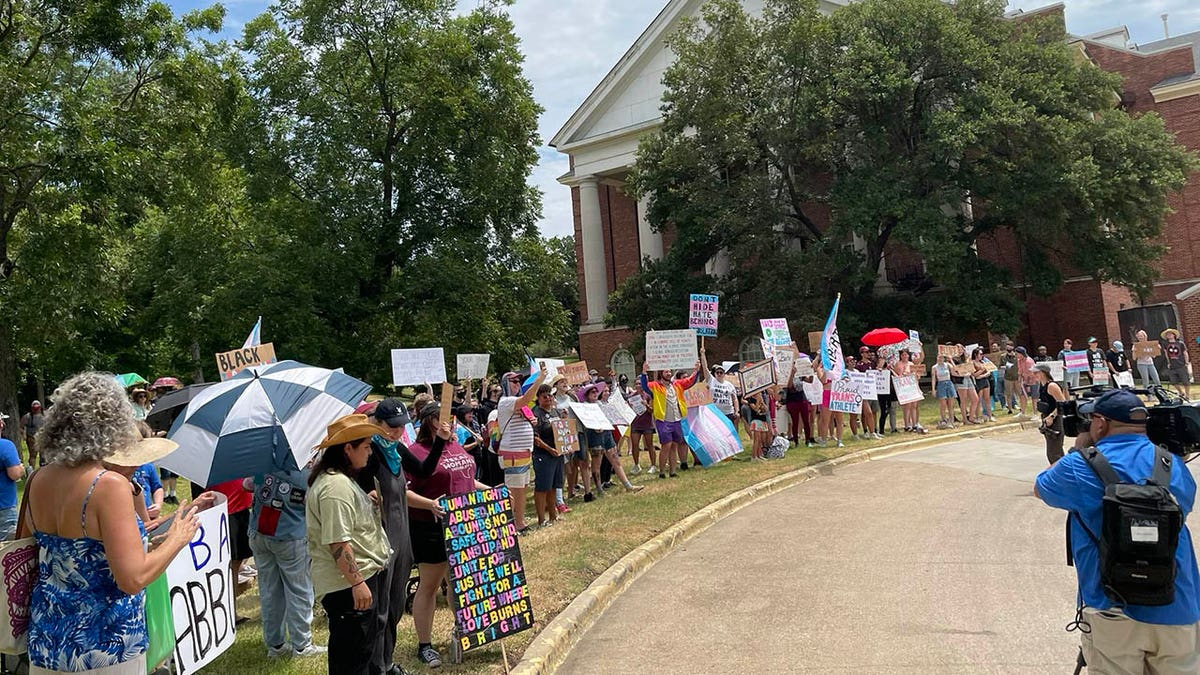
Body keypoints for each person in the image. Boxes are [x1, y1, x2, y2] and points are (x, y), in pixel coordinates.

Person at [24, 372, 203, 674]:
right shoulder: (108, 485)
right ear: (114, 424)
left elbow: (40, 553)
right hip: (106, 647)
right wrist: (177, 538)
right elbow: (131, 578)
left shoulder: (37, 479)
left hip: (47, 644)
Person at [1035, 389, 1200, 673]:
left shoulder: (1080, 465)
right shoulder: (1171, 465)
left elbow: (1041, 487)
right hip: (1177, 604)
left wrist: (1082, 446)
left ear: (1100, 422)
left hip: (1109, 605)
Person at [357, 398, 447, 675]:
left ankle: (387, 659)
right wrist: (366, 495)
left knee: (395, 602)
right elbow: (354, 488)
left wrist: (441, 441)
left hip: (402, 534)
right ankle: (377, 665)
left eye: (401, 427)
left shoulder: (394, 448)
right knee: (380, 606)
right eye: (391, 426)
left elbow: (423, 470)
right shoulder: (368, 452)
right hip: (381, 536)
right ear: (378, 423)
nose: (397, 432)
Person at [307, 414, 394, 675]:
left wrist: (364, 501)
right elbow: (337, 541)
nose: (369, 452)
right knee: (352, 660)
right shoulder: (335, 487)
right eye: (365, 446)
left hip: (358, 579)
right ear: (348, 449)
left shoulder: (339, 480)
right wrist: (357, 583)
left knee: (360, 653)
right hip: (349, 586)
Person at [405, 402, 488, 669]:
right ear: (429, 421)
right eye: (442, 417)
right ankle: (425, 646)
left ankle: (461, 631)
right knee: (429, 585)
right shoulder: (415, 452)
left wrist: (491, 491)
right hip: (429, 527)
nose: (449, 422)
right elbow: (404, 492)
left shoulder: (455, 445)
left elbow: (465, 478)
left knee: (459, 583)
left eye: (450, 417)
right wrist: (430, 505)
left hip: (462, 523)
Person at [245, 466, 325, 660]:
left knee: (269, 591)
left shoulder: (264, 463)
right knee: (299, 591)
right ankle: (302, 645)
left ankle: (275, 645)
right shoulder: (308, 474)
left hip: (259, 534)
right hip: (290, 537)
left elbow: (246, 484)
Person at [496, 367, 546, 533]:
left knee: (522, 489)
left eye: (519, 381)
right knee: (512, 491)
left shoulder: (518, 403)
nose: (518, 384)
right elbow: (525, 399)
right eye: (514, 381)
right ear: (505, 384)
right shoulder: (505, 401)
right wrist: (538, 381)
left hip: (523, 451)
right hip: (512, 452)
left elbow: (526, 409)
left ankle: (520, 522)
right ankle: (509, 524)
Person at [640, 360, 702, 477]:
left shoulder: (677, 385)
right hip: (663, 420)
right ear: (661, 373)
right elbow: (645, 386)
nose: (668, 373)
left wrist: (697, 370)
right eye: (666, 371)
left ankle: (673, 471)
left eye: (669, 371)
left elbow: (690, 382)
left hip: (677, 419)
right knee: (666, 445)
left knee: (674, 445)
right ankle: (662, 472)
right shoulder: (656, 386)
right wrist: (644, 372)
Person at [531, 385, 564, 526]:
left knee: (553, 486)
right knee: (542, 487)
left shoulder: (555, 412)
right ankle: (541, 520)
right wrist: (549, 449)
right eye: (545, 396)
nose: (549, 398)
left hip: (557, 454)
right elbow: (535, 438)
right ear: (538, 399)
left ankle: (553, 515)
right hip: (543, 455)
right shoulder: (536, 414)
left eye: (550, 396)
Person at [1033, 363, 1068, 464]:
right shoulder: (1041, 385)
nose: (1034, 375)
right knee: (1052, 451)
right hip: (1046, 418)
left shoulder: (1052, 386)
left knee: (1055, 451)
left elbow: (1062, 402)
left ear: (1043, 373)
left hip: (1055, 419)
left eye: (1036, 372)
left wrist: (1052, 416)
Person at [0, 414, 24, 540]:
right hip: (4, 505)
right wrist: (20, 468)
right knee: (5, 548)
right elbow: (14, 474)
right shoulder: (5, 446)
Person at [1162, 328, 1190, 399]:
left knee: (1185, 381)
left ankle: (1187, 395)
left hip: (1181, 364)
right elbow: (1166, 354)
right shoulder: (1165, 344)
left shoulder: (1180, 343)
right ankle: (1181, 392)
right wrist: (1168, 362)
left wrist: (1186, 362)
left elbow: (1185, 353)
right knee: (1174, 382)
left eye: (1170, 334)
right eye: (1167, 334)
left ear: (1174, 335)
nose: (1169, 335)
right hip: (1172, 366)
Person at [931, 353, 956, 429]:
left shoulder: (947, 365)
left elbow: (955, 370)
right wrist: (933, 389)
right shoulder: (934, 367)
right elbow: (933, 378)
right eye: (939, 357)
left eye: (942, 357)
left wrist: (951, 360)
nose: (941, 359)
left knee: (951, 404)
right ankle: (943, 419)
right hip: (941, 384)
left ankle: (951, 419)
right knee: (943, 404)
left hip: (948, 383)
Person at [19, 400, 45, 468]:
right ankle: (31, 471)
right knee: (33, 456)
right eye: (34, 408)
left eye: (37, 408)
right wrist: (23, 435)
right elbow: (21, 427)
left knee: (43, 456)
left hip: (42, 438)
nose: (36, 410)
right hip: (32, 438)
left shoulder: (45, 416)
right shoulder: (27, 416)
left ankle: (42, 469)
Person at [970, 348, 993, 424]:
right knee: (978, 400)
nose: (981, 355)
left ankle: (990, 416)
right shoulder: (972, 363)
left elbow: (989, 372)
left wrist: (983, 375)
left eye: (982, 354)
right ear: (976, 354)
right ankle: (977, 416)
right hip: (978, 382)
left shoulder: (982, 362)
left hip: (985, 380)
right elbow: (974, 374)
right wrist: (982, 371)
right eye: (980, 354)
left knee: (987, 399)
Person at [1000, 343, 1022, 415]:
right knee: (1008, 394)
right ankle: (1010, 409)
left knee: (1019, 393)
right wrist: (1004, 367)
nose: (1009, 350)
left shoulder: (1017, 356)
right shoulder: (1003, 357)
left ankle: (1022, 407)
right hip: (1008, 378)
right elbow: (1000, 366)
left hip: (1016, 377)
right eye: (1007, 349)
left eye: (1010, 349)